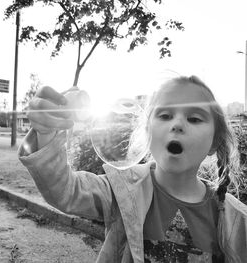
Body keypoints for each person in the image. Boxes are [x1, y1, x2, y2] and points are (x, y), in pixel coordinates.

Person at [18, 76, 247, 262]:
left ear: (215, 142)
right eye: (165, 115)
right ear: (147, 133)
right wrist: (45, 133)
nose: (177, 124)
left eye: (195, 118)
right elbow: (66, 191)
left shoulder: (236, 221)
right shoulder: (121, 190)